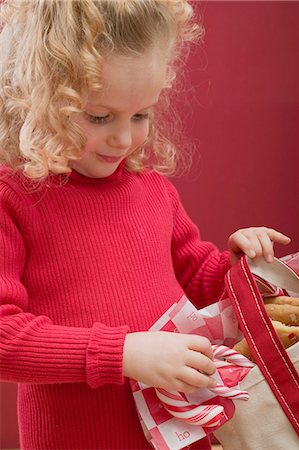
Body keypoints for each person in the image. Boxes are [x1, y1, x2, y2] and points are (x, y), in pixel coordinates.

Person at [0, 1, 291, 449]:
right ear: (37, 96)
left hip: (184, 431)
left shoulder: (152, 189)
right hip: (78, 437)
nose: (123, 138)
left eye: (141, 115)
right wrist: (123, 354)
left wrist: (244, 265)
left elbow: (196, 279)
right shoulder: (14, 198)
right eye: (99, 117)